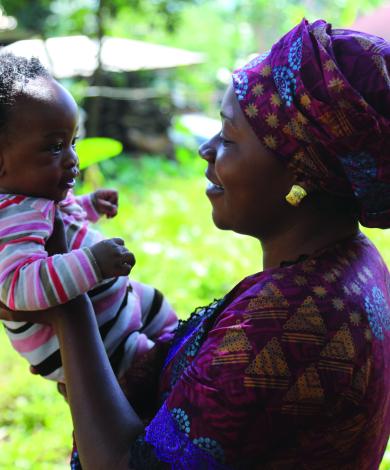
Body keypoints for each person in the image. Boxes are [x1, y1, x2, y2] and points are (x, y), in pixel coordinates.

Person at [1, 18, 390, 469]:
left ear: (300, 170)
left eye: (227, 136)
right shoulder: (344, 268)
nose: (205, 149)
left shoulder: (287, 330)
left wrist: (70, 310)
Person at [0, 53, 177, 382]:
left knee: (157, 307)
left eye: (72, 143)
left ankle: (180, 351)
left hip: (109, 310)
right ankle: (170, 383)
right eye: (54, 147)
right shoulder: (11, 216)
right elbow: (18, 286)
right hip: (95, 343)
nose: (72, 159)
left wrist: (89, 205)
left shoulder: (35, 197)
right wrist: (93, 263)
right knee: (148, 366)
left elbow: (61, 222)